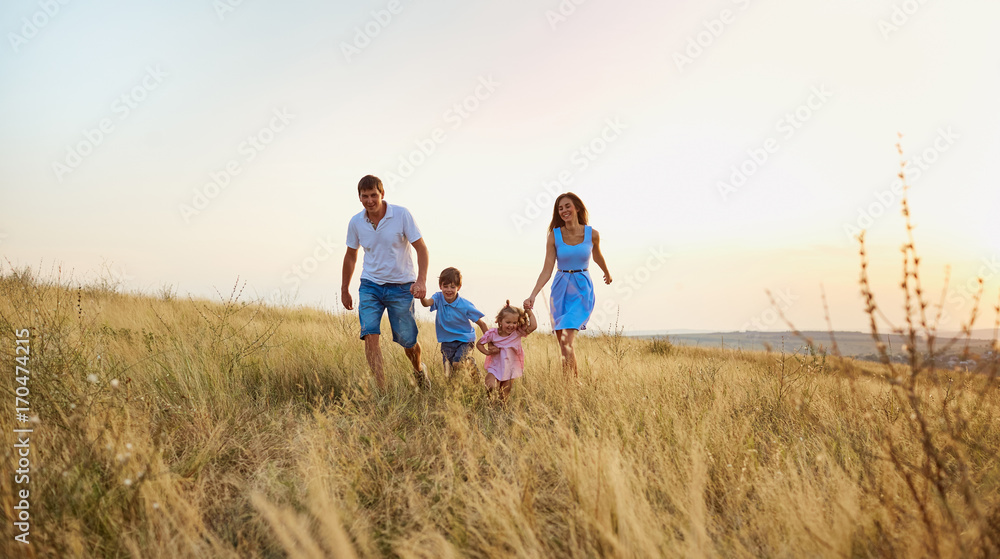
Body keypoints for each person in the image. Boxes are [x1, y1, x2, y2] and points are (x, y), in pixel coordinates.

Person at [341, 175, 430, 391]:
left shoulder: (401, 215)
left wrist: (421, 280)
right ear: (359, 197)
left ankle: (419, 370)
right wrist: (344, 288)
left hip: (401, 287)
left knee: (408, 341)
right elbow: (351, 255)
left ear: (382, 194)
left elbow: (421, 248)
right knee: (370, 335)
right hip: (370, 285)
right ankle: (382, 391)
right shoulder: (356, 222)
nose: (370, 200)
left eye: (374, 195)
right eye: (365, 196)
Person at [524, 193, 612, 378]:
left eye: (567, 206)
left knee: (567, 340)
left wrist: (606, 272)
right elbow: (547, 269)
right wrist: (533, 294)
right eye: (560, 208)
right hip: (560, 288)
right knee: (563, 344)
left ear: (577, 208)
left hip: (581, 288)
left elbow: (597, 256)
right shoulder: (554, 236)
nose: (564, 211)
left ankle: (571, 385)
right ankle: (571, 385)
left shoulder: (592, 234)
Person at [419, 267, 489, 380]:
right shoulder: (438, 297)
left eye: (452, 287)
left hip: (465, 340)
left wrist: (490, 342)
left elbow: (482, 324)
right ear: (440, 286)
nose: (449, 290)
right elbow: (427, 303)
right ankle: (454, 392)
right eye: (445, 286)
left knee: (457, 363)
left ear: (459, 287)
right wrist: (422, 297)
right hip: (447, 341)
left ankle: (474, 373)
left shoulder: (465, 305)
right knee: (448, 375)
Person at [476, 300, 537, 400]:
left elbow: (533, 326)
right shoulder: (493, 334)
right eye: (508, 322)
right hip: (494, 367)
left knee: (504, 395)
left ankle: (501, 410)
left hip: (510, 369)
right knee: (490, 386)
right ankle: (490, 403)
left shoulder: (517, 333)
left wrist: (529, 312)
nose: (511, 325)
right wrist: (487, 352)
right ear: (500, 321)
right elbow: (479, 344)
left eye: (514, 322)